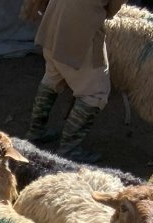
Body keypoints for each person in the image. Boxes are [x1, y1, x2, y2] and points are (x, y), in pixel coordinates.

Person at [24, 0, 126, 163]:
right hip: (77, 37)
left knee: (52, 78)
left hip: (53, 28)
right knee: (95, 93)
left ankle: (36, 131)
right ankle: (69, 148)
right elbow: (112, 11)